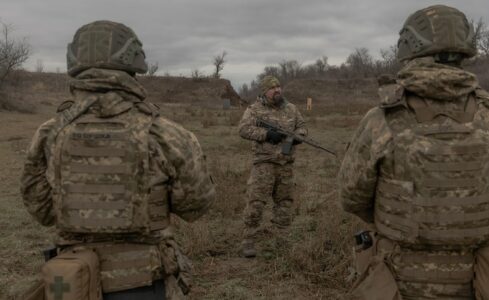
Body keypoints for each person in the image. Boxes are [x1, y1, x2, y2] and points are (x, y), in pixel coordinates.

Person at [338, 5, 489, 299]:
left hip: (399, 279)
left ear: (409, 50)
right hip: (477, 281)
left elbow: (352, 197)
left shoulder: (381, 119)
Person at [20, 20, 215, 299]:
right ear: (133, 64)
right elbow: (197, 206)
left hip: (74, 283)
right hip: (147, 285)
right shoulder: (166, 133)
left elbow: (41, 211)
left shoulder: (50, 134)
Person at [238, 75, 307, 258]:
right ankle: (249, 241)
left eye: (279, 87)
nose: (277, 90)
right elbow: (243, 129)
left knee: (284, 204)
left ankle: (281, 241)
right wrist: (266, 134)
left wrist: (296, 137)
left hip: (286, 164)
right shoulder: (254, 109)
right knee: (256, 203)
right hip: (264, 164)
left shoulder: (291, 108)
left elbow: (302, 127)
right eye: (272, 88)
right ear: (264, 91)